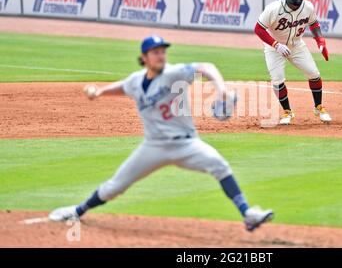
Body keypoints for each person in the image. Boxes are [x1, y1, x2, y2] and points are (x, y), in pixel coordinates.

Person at [48, 35, 274, 232]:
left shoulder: (174, 73)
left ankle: (248, 214)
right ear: (144, 57)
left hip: (186, 145)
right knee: (115, 187)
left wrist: (221, 88)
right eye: (155, 52)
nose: (161, 55)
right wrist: (99, 92)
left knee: (219, 165)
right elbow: (123, 86)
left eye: (163, 51)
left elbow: (206, 66)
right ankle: (77, 210)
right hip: (153, 147)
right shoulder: (136, 80)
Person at [253, 0, 332, 126]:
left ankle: (319, 107)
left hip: (297, 45)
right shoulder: (274, 9)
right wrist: (275, 44)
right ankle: (287, 112)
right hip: (274, 48)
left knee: (314, 74)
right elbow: (258, 29)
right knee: (277, 80)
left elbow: (314, 24)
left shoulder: (308, 7)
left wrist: (320, 41)